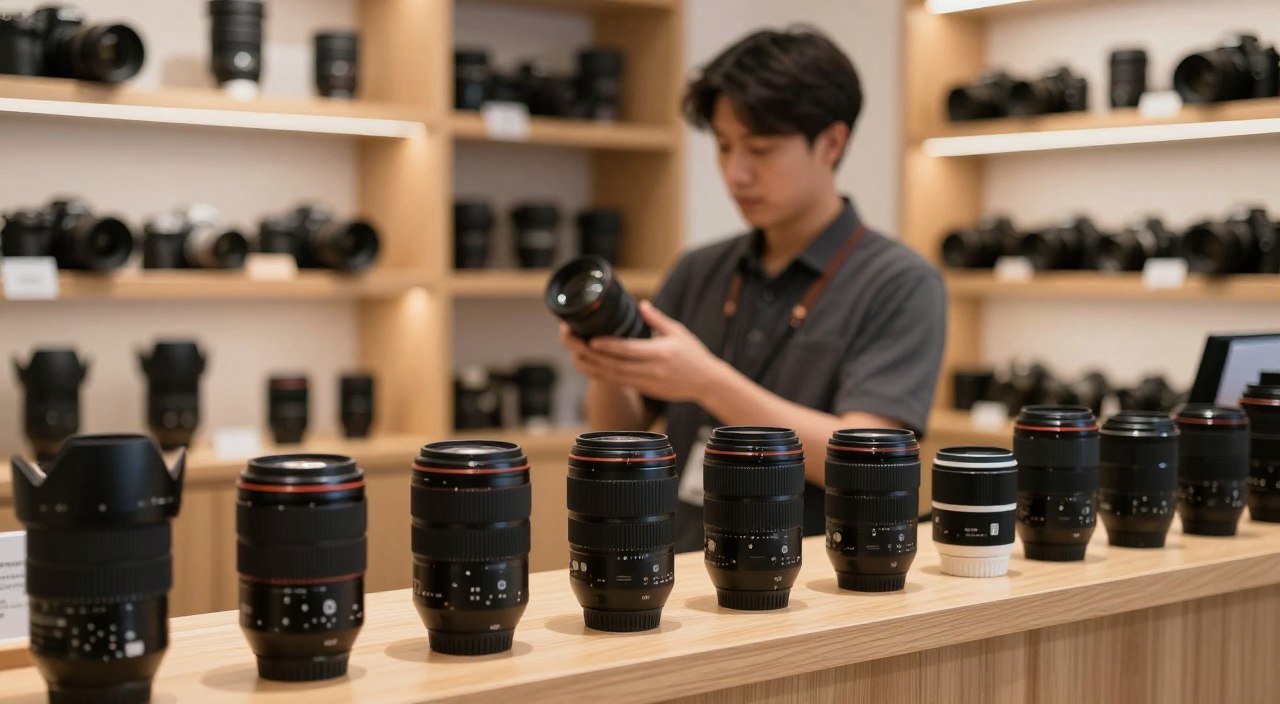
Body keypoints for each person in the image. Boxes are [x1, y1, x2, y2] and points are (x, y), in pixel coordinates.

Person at [559, 27, 947, 551]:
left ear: (832, 142)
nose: (736, 173)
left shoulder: (900, 283)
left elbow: (866, 464)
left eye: (760, 149)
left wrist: (706, 381)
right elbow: (617, 433)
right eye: (723, 147)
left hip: (812, 578)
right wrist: (607, 362)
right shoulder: (700, 269)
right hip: (676, 562)